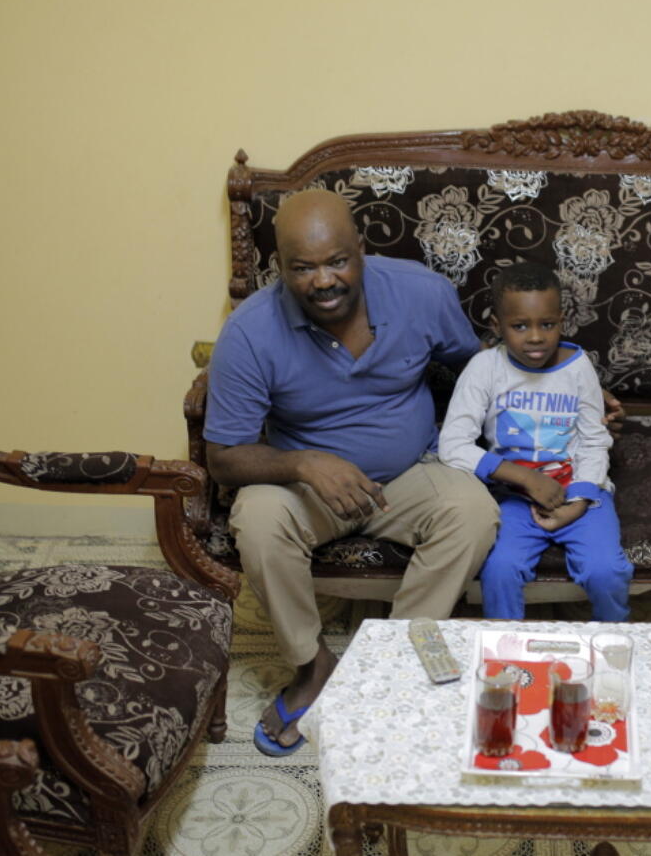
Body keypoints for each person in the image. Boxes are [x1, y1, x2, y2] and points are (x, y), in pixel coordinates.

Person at [203, 189, 501, 756]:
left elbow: (481, 366)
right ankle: (313, 665)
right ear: (280, 267)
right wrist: (304, 463)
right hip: (305, 487)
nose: (323, 281)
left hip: (411, 473)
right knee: (259, 521)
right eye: (303, 268)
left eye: (337, 261)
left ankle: (385, 661)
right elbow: (224, 456)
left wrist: (570, 387)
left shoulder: (420, 293)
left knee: (473, 510)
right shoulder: (249, 332)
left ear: (361, 251)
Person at [438, 262, 634, 621]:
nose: (535, 337)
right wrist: (525, 478)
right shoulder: (484, 368)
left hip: (581, 495)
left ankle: (614, 644)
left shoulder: (578, 367)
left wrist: (579, 499)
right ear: (497, 327)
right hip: (515, 498)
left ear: (562, 320)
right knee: (499, 571)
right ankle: (505, 655)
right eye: (519, 326)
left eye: (547, 325)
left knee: (606, 570)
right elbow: (453, 445)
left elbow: (594, 440)